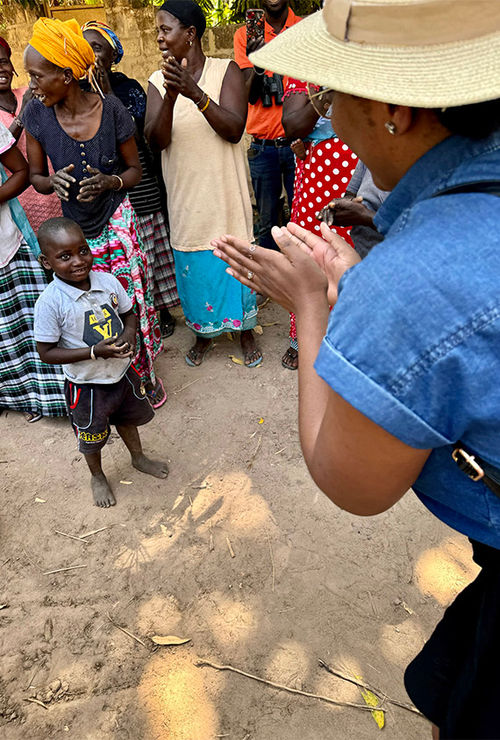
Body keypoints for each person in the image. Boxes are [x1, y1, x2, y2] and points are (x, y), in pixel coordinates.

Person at [212, 0, 500, 736]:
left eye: (338, 95)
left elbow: (350, 481)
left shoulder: (410, 288)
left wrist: (313, 304)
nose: (331, 115)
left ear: (396, 109)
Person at [22, 18, 165, 405]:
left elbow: (135, 170)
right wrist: (54, 184)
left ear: (67, 75)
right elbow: (35, 176)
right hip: (75, 233)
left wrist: (108, 182)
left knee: (130, 304)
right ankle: (99, 387)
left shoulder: (113, 110)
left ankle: (143, 378)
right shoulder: (37, 115)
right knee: (88, 317)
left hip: (117, 224)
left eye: (37, 76)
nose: (32, 85)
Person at [145, 0, 261, 367]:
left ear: (190, 34)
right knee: (193, 262)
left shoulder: (225, 71)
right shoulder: (155, 82)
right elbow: (156, 140)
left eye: (166, 29)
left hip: (224, 191)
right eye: (159, 30)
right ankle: (202, 331)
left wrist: (194, 92)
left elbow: (233, 129)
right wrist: (171, 95)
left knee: (234, 258)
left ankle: (244, 332)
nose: (160, 37)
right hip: (186, 195)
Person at [34, 217, 169, 508]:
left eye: (83, 250)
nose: (78, 261)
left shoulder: (108, 281)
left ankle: (138, 457)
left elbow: (128, 312)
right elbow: (46, 352)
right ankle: (97, 475)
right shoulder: (50, 302)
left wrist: (130, 334)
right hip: (86, 384)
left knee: (128, 418)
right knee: (91, 434)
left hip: (121, 373)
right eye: (64, 256)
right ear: (46, 262)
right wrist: (94, 352)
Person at [81, 20, 179, 341]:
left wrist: (109, 98)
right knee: (121, 252)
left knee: (150, 247)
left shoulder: (129, 88)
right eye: (85, 47)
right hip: (103, 187)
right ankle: (128, 310)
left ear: (113, 55)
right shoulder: (75, 94)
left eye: (97, 47)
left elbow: (139, 138)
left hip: (139, 181)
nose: (91, 54)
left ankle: (162, 309)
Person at [280, 77, 357, 370]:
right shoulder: (303, 73)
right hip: (317, 174)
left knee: (352, 252)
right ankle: (304, 337)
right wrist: (328, 92)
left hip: (357, 167)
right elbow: (293, 126)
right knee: (311, 253)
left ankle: (349, 337)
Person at [0, 121, 66, 422]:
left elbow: (22, 172)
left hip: (6, 247)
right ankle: (12, 396)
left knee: (28, 327)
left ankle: (50, 400)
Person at [234, 0, 301, 253]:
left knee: (303, 217)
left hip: (300, 143)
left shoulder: (301, 29)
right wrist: (258, 65)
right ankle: (271, 284)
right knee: (267, 223)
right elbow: (247, 96)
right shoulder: (244, 35)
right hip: (263, 146)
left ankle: (307, 280)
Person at [0, 36, 62, 235]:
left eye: (3, 62)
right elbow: (3, 148)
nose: (1, 69)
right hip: (21, 202)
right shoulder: (28, 101)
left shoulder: (31, 92)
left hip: (55, 187)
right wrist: (23, 114)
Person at [318, 159, 389, 259]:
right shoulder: (370, 153)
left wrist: (365, 216)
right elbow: (350, 195)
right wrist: (339, 207)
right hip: (362, 248)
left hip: (390, 256)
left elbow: (409, 227)